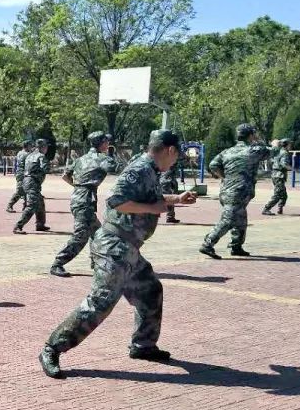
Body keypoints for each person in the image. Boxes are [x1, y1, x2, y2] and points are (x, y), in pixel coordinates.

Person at [39, 130, 199, 378]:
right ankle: (52, 348)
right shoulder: (140, 169)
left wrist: (176, 199)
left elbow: (151, 198)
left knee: (150, 290)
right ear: (170, 151)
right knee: (100, 302)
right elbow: (115, 200)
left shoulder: (151, 170)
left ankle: (143, 345)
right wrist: (153, 207)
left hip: (129, 250)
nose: (176, 160)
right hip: (114, 247)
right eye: (177, 155)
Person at [50, 132, 120, 277]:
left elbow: (65, 175)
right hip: (85, 200)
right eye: (107, 141)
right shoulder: (102, 159)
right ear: (101, 143)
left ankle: (97, 262)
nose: (108, 143)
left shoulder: (81, 159)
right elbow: (118, 169)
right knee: (80, 236)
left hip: (78, 197)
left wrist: (78, 187)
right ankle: (58, 263)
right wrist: (113, 154)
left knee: (98, 233)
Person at [200, 123, 272, 259]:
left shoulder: (227, 151)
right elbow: (272, 151)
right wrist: (261, 140)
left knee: (240, 219)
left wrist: (224, 177)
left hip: (227, 190)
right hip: (239, 192)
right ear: (251, 135)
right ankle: (207, 244)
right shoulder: (254, 150)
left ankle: (236, 246)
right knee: (228, 220)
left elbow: (213, 165)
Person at [13, 138, 52, 234]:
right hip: (32, 182)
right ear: (42, 147)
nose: (47, 149)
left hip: (27, 181)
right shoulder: (41, 156)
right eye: (46, 147)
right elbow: (45, 169)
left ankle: (40, 224)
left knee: (40, 203)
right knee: (32, 205)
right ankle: (18, 226)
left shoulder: (30, 155)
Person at [262, 138, 292, 215]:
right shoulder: (284, 153)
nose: (291, 146)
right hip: (279, 175)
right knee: (278, 194)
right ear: (286, 145)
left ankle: (280, 208)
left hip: (276, 175)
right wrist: (293, 169)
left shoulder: (278, 151)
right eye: (289, 144)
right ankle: (266, 208)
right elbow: (284, 164)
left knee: (283, 195)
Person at [6, 139, 34, 213]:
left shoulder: (20, 153)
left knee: (26, 190)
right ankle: (10, 205)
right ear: (27, 146)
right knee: (20, 191)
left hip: (22, 173)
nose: (31, 147)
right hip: (22, 174)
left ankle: (25, 206)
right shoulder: (26, 154)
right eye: (30, 145)